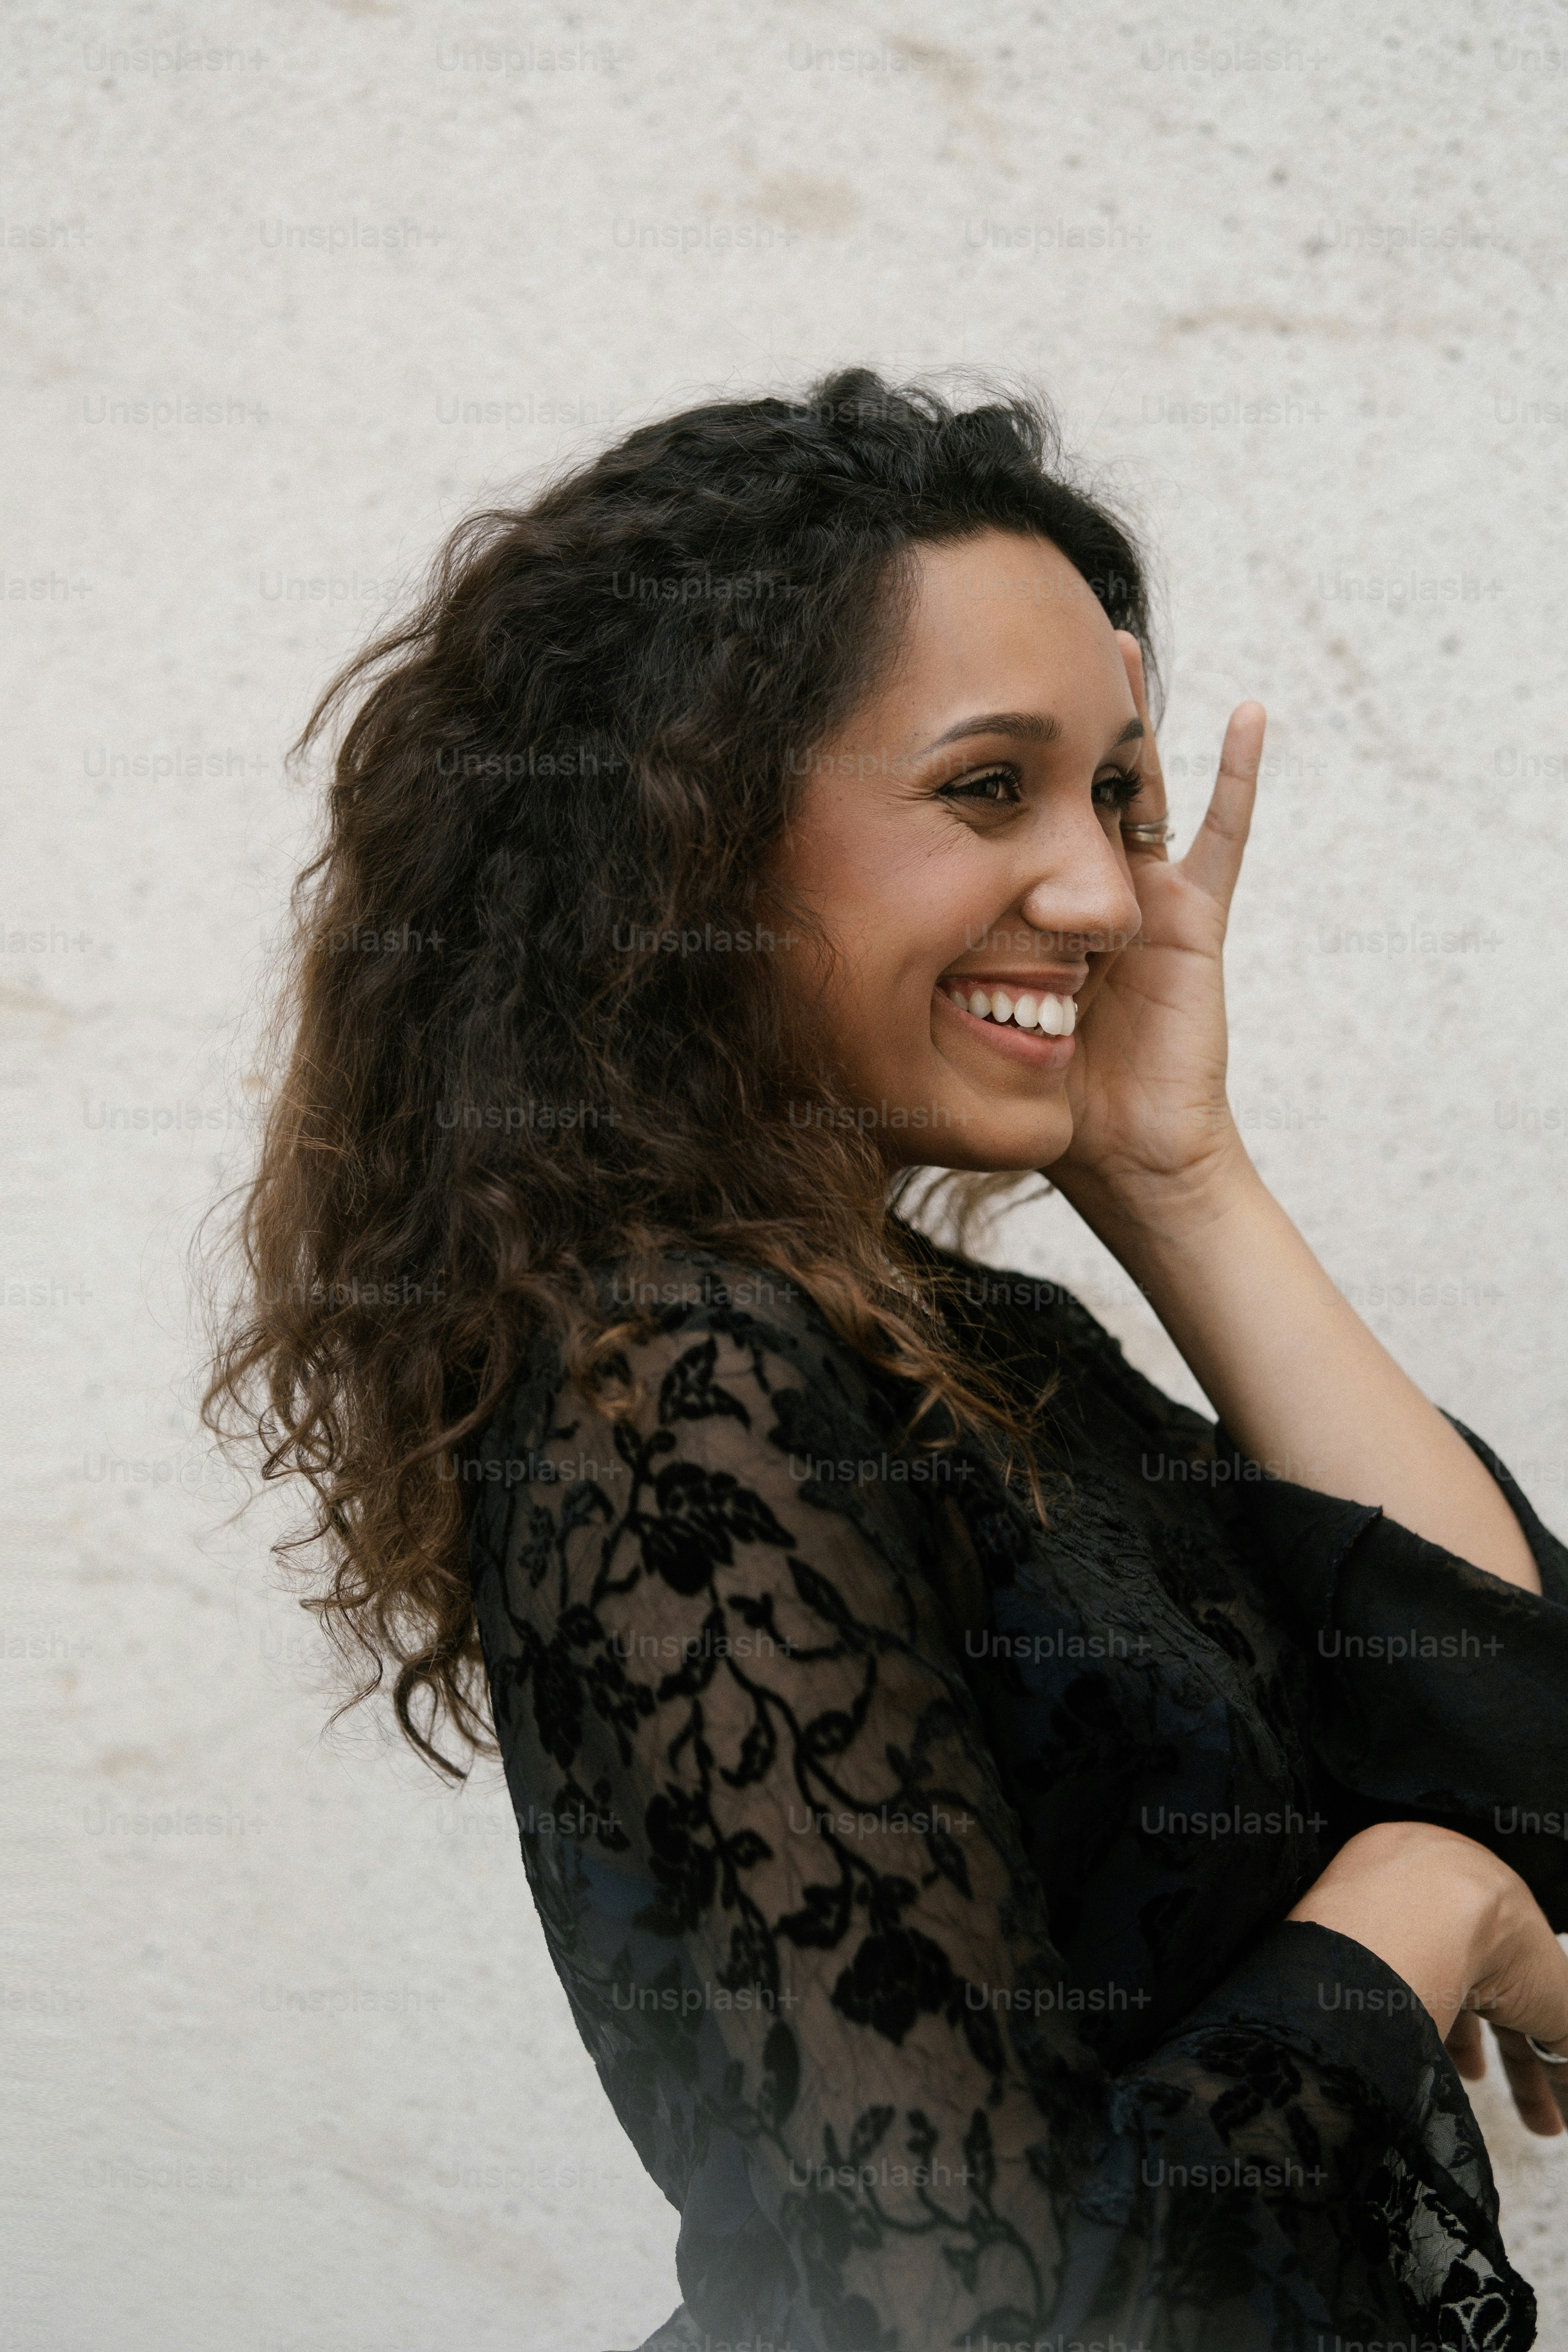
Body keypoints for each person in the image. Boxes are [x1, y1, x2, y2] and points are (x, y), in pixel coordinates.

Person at [207, 370, 1568, 2351]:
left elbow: (1534, 1772)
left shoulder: (975, 1351)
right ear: (684, 844)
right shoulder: (677, 1389)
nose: (1105, 893)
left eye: (1115, 797)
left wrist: (1177, 1174)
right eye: (987, 788)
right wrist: (1415, 1912)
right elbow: (968, 2317)